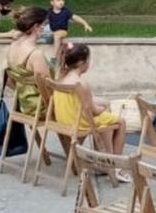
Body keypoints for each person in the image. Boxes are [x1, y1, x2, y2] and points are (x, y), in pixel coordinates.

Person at [52, 45, 129, 182]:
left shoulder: (61, 78)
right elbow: (93, 112)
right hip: (79, 123)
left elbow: (79, 101)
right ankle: (116, 165)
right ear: (82, 63)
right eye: (88, 60)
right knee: (120, 122)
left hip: (64, 119)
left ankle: (104, 157)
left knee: (106, 115)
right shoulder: (81, 83)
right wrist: (104, 109)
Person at [5, 6, 53, 116]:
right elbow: (47, 87)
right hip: (41, 107)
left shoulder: (13, 46)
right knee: (83, 106)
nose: (48, 28)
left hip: (25, 104)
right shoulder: (35, 54)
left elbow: (7, 79)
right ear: (36, 26)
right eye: (45, 24)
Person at [47, 0, 92, 65]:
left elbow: (75, 17)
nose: (61, 2)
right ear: (52, 2)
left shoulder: (66, 11)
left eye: (63, 0)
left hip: (62, 31)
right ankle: (64, 52)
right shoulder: (49, 12)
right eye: (58, 0)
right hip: (52, 32)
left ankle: (54, 58)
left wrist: (85, 24)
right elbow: (43, 20)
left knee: (57, 35)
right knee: (51, 35)